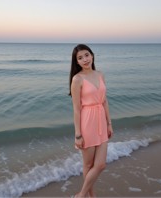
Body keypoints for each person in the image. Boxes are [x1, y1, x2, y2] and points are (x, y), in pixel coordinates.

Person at [69, 44, 113, 197]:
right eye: (80, 58)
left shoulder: (100, 74)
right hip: (87, 121)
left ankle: (81, 195)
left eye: (86, 55)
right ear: (77, 62)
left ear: (92, 55)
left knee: (100, 165)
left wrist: (109, 123)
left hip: (101, 119)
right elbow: (76, 108)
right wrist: (78, 134)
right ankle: (89, 196)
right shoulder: (77, 79)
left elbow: (105, 101)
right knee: (88, 164)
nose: (85, 59)